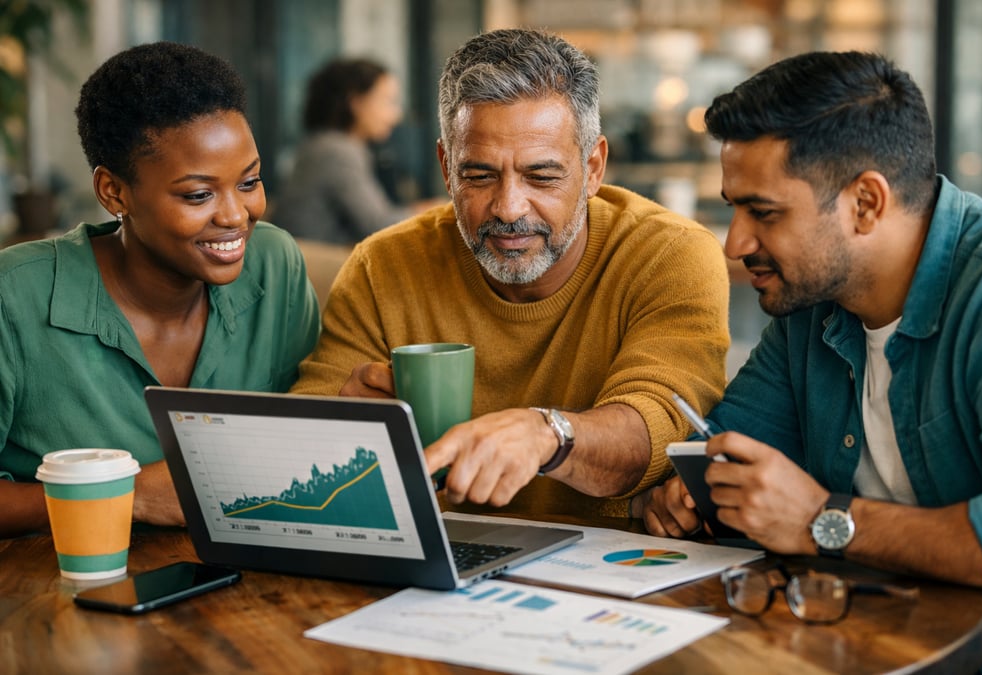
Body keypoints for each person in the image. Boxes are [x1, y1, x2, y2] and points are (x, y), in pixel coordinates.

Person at [634, 51, 982, 670]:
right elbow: (732, 454)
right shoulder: (810, 303)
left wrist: (823, 520)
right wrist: (694, 498)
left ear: (865, 202)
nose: (735, 243)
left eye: (764, 212)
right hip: (848, 644)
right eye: (733, 207)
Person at [291, 28, 730, 518]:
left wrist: (549, 435)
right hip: (436, 561)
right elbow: (306, 444)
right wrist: (344, 430)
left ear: (594, 168)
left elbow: (654, 429)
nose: (507, 207)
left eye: (542, 176)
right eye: (478, 176)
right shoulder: (382, 265)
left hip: (607, 571)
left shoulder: (668, 254)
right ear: (445, 167)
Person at [0, 42, 321, 538]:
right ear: (114, 192)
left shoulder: (273, 265)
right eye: (198, 194)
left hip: (249, 584)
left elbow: (301, 435)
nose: (236, 216)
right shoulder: (15, 296)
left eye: (250, 181)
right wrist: (126, 496)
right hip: (57, 594)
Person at [271, 57, 442, 244]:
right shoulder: (336, 151)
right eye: (388, 101)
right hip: (318, 260)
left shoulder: (325, 144)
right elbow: (378, 224)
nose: (396, 115)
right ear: (356, 103)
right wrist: (437, 211)